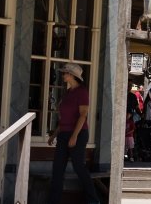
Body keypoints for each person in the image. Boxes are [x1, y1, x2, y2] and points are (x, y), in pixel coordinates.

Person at [46, 63, 100, 204]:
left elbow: (83, 115)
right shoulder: (68, 93)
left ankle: (93, 200)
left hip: (78, 133)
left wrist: (74, 136)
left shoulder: (82, 92)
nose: (63, 75)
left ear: (72, 76)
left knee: (79, 168)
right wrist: (54, 135)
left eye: (65, 73)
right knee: (57, 169)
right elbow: (65, 118)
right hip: (63, 134)